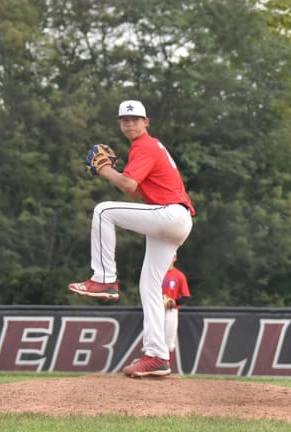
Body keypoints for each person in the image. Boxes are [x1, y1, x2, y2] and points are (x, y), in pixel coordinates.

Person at [68, 99, 195, 378]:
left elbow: (127, 184)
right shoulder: (143, 149)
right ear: (120, 123)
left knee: (103, 211)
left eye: (136, 119)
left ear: (146, 122)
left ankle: (104, 279)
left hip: (171, 215)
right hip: (174, 219)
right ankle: (157, 356)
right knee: (149, 286)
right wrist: (115, 174)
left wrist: (104, 171)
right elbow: (136, 193)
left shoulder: (146, 145)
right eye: (125, 120)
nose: (130, 123)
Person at [162, 253, 191, 373]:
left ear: (175, 258)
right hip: (157, 310)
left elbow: (186, 297)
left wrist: (175, 301)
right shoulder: (158, 273)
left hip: (171, 311)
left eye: (171, 256)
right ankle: (154, 366)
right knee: (153, 338)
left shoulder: (179, 276)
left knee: (169, 340)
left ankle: (167, 368)